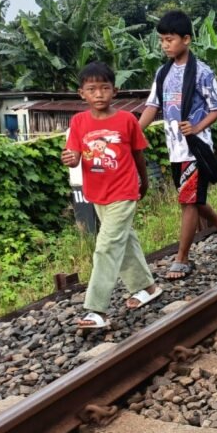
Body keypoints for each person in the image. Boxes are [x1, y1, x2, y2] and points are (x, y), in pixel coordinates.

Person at [139, 10, 217, 281]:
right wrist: (133, 132)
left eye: (169, 40)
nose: (164, 45)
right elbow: (152, 106)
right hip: (175, 148)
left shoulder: (202, 72)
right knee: (191, 198)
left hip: (195, 148)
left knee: (188, 202)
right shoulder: (163, 73)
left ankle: (182, 259)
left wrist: (197, 127)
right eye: (162, 40)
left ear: (186, 39)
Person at [62, 61, 162, 330]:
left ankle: (96, 309)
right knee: (124, 240)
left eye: (104, 88)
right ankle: (148, 287)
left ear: (114, 91)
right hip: (97, 193)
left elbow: (138, 155)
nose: (99, 94)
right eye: (92, 89)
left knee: (106, 246)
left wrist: (144, 183)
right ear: (82, 93)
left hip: (124, 190)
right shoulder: (79, 122)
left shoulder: (127, 120)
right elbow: (75, 156)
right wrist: (71, 159)